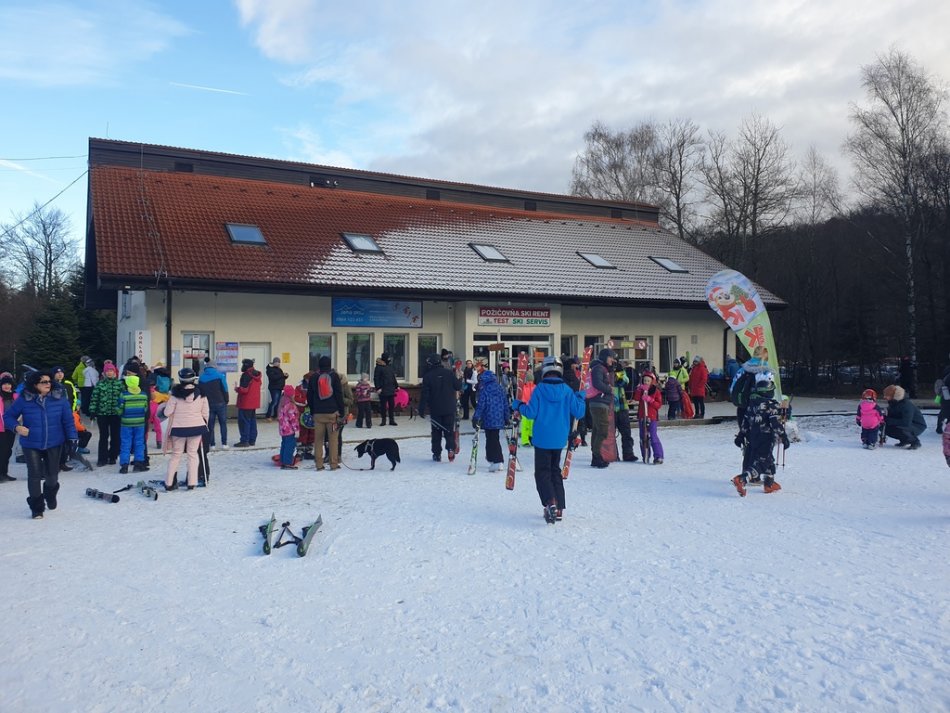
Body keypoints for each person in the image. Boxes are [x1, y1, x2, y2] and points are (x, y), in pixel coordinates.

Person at [515, 356, 586, 523]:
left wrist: (519, 406)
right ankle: (559, 507)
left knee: (542, 472)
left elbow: (531, 413)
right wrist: (580, 398)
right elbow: (579, 412)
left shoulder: (539, 389)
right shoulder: (567, 390)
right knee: (555, 471)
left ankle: (550, 501)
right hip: (559, 438)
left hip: (542, 437)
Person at [3, 370, 77, 519]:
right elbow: (8, 416)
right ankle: (37, 508)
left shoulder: (59, 399)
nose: (48, 384)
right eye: (44, 382)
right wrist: (16, 427)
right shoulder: (24, 399)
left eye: (49, 381)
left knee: (52, 476)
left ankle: (50, 494)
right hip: (31, 443)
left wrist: (72, 438)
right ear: (35, 384)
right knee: (34, 475)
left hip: (54, 442)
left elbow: (68, 421)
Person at [732, 371, 789, 496]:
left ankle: (769, 483)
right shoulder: (771, 405)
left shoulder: (752, 405)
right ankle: (743, 479)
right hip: (766, 437)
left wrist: (741, 435)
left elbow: (745, 422)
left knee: (768, 458)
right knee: (762, 461)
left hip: (753, 437)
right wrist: (783, 436)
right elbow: (775, 423)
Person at [163, 368, 209, 490]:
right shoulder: (201, 394)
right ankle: (192, 482)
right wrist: (204, 424)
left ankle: (169, 483)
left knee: (176, 455)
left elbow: (167, 413)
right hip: (197, 427)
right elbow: (205, 413)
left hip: (178, 428)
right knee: (192, 454)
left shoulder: (175, 394)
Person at [418, 353, 462, 462]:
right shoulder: (449, 373)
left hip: (435, 408)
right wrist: (460, 378)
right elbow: (458, 386)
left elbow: (425, 394)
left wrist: (421, 409)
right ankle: (450, 448)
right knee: (449, 430)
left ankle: (437, 454)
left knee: (436, 432)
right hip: (449, 407)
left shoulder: (428, 376)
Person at [307, 356, 345, 470]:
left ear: (319, 365)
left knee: (318, 440)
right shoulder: (334, 376)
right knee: (333, 440)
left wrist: (313, 410)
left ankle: (319, 464)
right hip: (332, 414)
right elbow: (338, 394)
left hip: (318, 414)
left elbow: (309, 395)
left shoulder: (314, 377)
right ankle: (333, 464)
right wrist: (341, 411)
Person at [472, 369, 509, 472]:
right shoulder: (500, 388)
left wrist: (476, 418)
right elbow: (505, 404)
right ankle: (493, 459)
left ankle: (497, 460)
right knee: (494, 438)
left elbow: (481, 406)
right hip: (499, 418)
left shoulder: (484, 390)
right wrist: (506, 417)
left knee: (491, 439)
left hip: (488, 418)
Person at [89, 362, 123, 466]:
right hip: (102, 414)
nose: (109, 373)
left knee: (115, 436)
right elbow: (94, 398)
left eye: (111, 371)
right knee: (103, 436)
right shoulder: (100, 384)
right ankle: (102, 458)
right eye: (107, 371)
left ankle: (113, 456)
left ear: (115, 372)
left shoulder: (119, 384)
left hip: (115, 414)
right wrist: (92, 410)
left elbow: (123, 399)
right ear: (104, 373)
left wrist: (122, 410)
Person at [587, 348, 616, 468]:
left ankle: (595, 457)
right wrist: (609, 389)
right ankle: (597, 456)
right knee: (602, 431)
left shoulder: (599, 367)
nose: (612, 360)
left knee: (597, 430)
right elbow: (597, 383)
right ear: (605, 357)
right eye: (610, 357)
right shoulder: (599, 368)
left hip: (599, 403)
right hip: (599, 403)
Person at [118, 374, 149, 474]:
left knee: (125, 443)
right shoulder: (143, 395)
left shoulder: (124, 395)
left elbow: (119, 409)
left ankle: (124, 466)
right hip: (140, 422)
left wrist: (120, 413)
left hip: (126, 423)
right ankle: (138, 464)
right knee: (139, 443)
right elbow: (145, 408)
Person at [634, 372, 664, 464]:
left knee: (653, 436)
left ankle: (658, 456)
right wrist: (639, 390)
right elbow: (636, 398)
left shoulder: (656, 391)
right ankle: (645, 455)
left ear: (652, 381)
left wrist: (650, 400)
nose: (646, 382)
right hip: (642, 416)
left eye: (648, 381)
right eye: (645, 380)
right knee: (643, 437)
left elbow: (658, 405)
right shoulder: (641, 390)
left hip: (652, 417)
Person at [883, 384, 926, 449]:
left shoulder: (906, 405)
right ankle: (904, 440)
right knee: (885, 427)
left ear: (893, 396)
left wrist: (889, 420)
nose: (884, 397)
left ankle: (915, 442)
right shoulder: (893, 403)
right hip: (907, 424)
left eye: (887, 395)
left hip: (917, 426)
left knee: (900, 428)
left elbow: (906, 422)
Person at [198, 360, 229, 448]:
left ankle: (212, 444)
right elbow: (225, 389)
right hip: (220, 403)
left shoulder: (201, 378)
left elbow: (200, 392)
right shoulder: (220, 376)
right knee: (223, 424)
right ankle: (224, 444)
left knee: (210, 425)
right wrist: (226, 400)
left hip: (208, 404)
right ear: (215, 367)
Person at [234, 358, 262, 447]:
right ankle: (252, 440)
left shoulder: (246, 375)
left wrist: (237, 389)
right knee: (252, 421)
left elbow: (244, 390)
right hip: (254, 402)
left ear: (245, 365)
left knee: (244, 422)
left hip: (245, 402)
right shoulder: (257, 374)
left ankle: (244, 440)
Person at [613, 363, 638, 462]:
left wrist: (618, 373)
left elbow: (625, 381)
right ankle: (613, 454)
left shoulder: (621, 373)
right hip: (611, 408)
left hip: (622, 406)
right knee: (611, 434)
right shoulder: (605, 372)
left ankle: (628, 453)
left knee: (626, 432)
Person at [0, 372, 18, 481]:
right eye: (4, 384)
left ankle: (4, 472)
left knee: (8, 451)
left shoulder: (16, 396)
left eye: (9, 384)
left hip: (12, 427)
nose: (7, 386)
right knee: (2, 451)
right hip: (1, 428)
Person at [277, 384, 299, 469]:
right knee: (290, 446)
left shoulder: (282, 403)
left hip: (283, 429)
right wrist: (296, 430)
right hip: (290, 429)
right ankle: (287, 463)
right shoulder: (291, 405)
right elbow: (293, 419)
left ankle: (282, 460)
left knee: (284, 444)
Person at [373, 352, 398, 426]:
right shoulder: (378, 367)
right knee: (383, 406)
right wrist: (378, 388)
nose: (389, 359)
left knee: (391, 405)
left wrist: (396, 386)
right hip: (383, 389)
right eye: (388, 358)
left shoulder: (390, 366)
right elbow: (376, 378)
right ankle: (383, 420)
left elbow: (393, 377)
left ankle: (391, 420)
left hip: (391, 389)